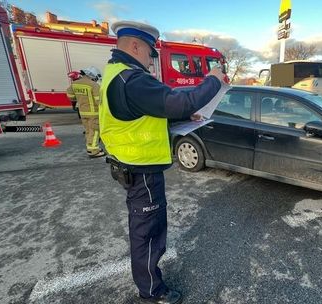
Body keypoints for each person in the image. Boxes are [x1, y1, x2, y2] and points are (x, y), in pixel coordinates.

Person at [99, 20, 225, 304]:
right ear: (135, 46)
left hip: (131, 166)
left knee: (147, 230)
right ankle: (152, 291)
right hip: (141, 171)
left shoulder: (116, 74)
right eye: (149, 52)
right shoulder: (132, 79)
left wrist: (181, 117)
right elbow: (182, 101)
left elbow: (142, 113)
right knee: (148, 233)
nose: (150, 59)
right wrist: (214, 79)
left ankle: (149, 284)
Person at [66, 67, 105, 158]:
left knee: (88, 131)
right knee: (95, 131)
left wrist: (81, 99)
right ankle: (93, 151)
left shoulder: (74, 84)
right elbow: (99, 101)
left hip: (83, 112)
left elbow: (70, 97)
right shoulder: (94, 85)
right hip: (94, 113)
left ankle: (90, 147)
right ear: (92, 75)